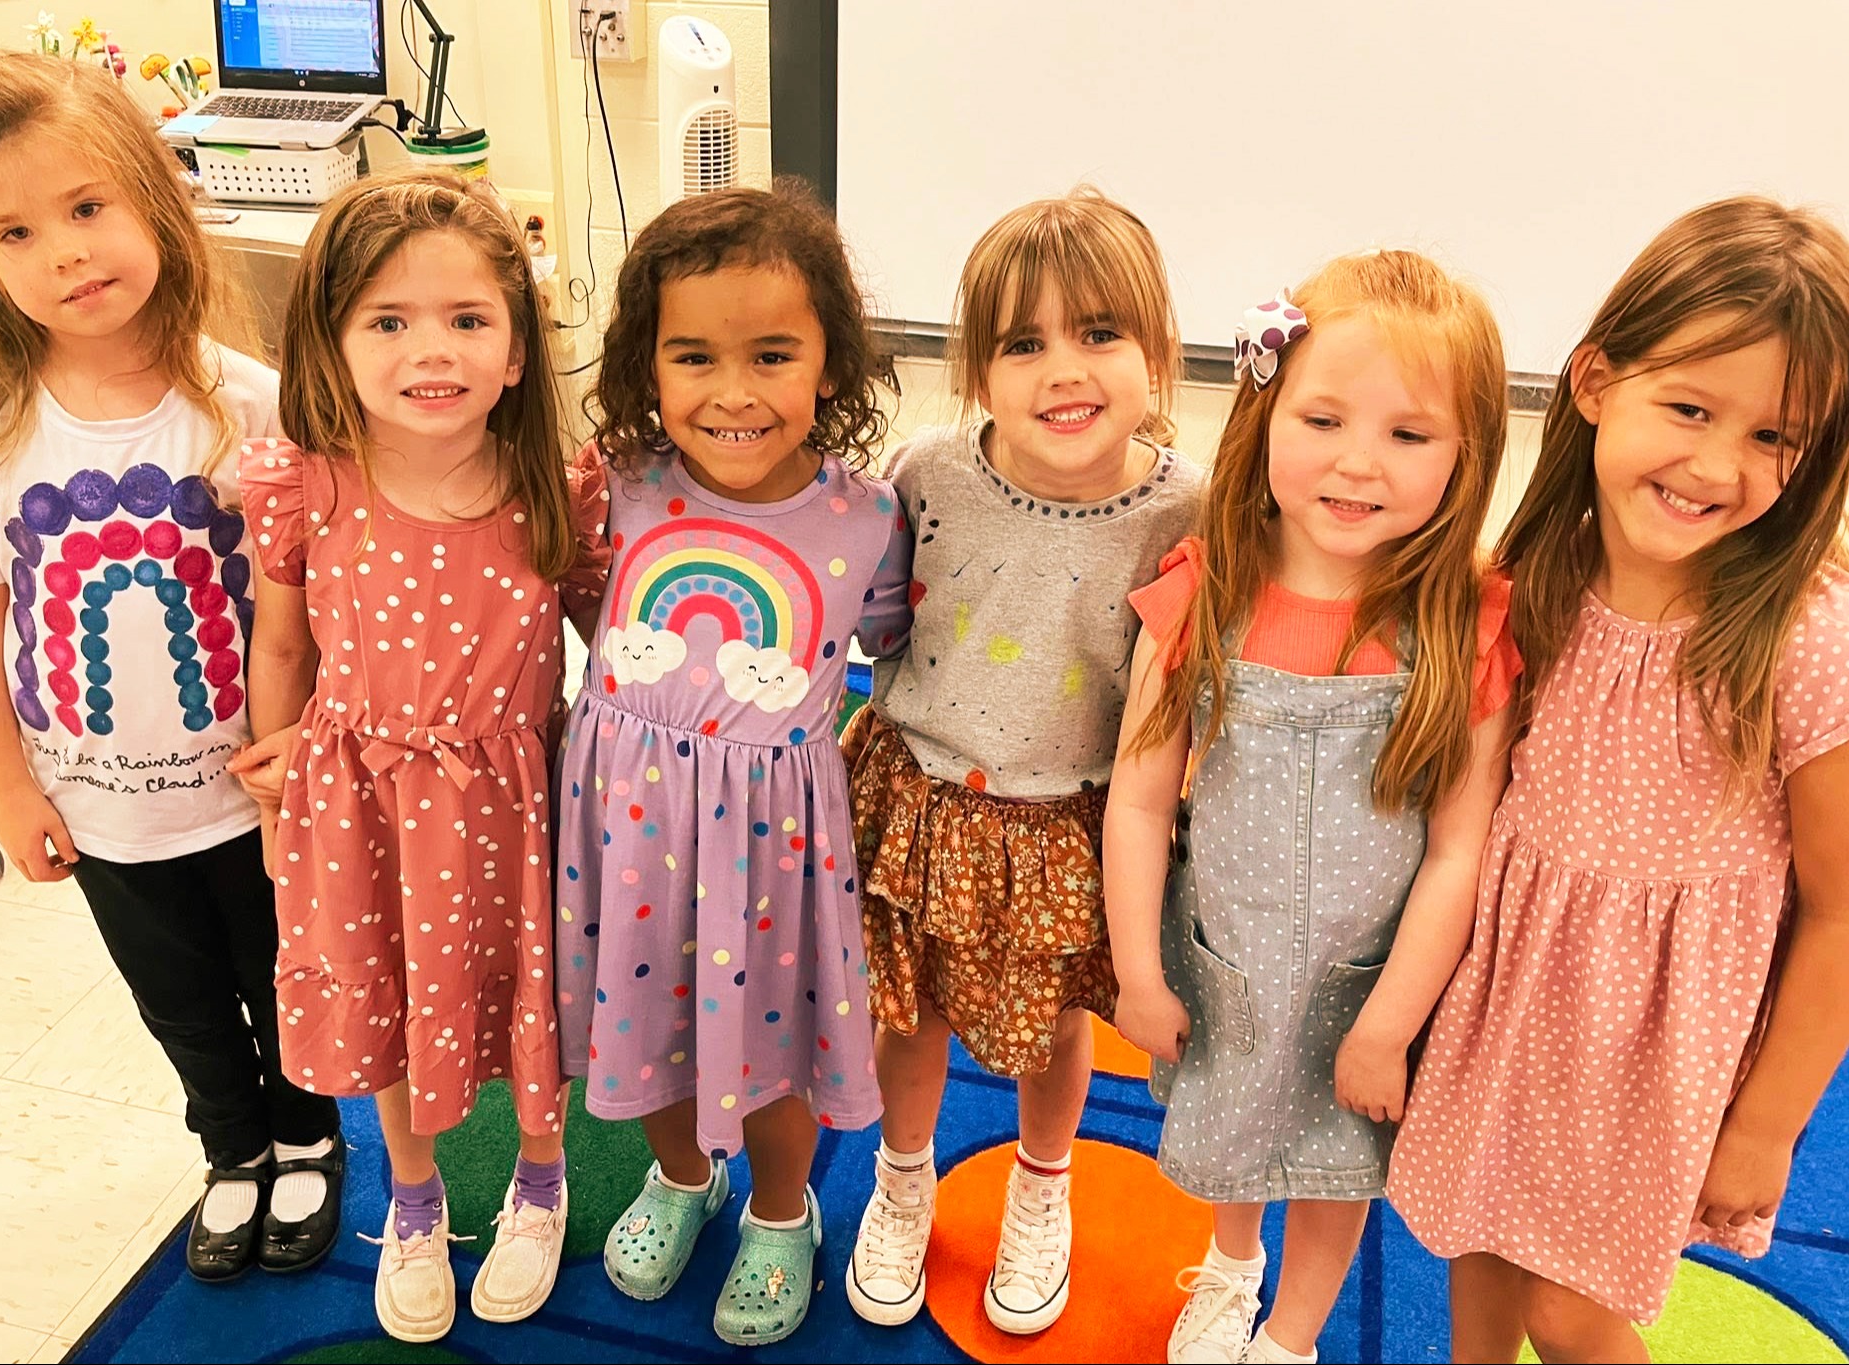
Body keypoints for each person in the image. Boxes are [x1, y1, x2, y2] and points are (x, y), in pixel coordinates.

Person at [0, 43, 342, 1283]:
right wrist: (7, 787)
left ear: (155, 197)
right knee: (177, 995)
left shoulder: (251, 403)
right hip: (99, 804)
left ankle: (306, 1134)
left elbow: (317, 593)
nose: (67, 252)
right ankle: (232, 1149)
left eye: (87, 207)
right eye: (17, 233)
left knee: (283, 974)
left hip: (254, 795)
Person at [1388, 196, 1849, 1364]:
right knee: (1475, 1240)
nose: (1715, 464)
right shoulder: (1533, 574)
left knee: (1570, 1309)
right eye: (1689, 408)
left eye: (1772, 438)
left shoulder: (1813, 645)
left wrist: (1765, 1129)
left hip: (1651, 1039)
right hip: (1507, 991)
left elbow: (1847, 909)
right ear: (1596, 381)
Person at [1109, 253, 1518, 1363]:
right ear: (1263, 408)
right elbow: (1141, 804)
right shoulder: (1200, 589)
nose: (1355, 465)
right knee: (1233, 1127)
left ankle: (1289, 1336)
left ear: (1465, 454)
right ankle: (1232, 1265)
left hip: (1369, 980)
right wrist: (1136, 973)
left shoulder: (1467, 622)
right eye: (1323, 417)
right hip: (1226, 954)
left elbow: (1456, 853)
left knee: (1337, 1165)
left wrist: (1386, 1023)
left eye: (1407, 435)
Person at [230, 173, 608, 1341]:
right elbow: (281, 644)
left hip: (516, 805)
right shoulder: (305, 483)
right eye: (387, 322)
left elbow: (624, 642)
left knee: (524, 1000)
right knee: (385, 999)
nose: (428, 351)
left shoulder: (563, 481)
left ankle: (538, 1186)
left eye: (465, 319)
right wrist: (269, 792)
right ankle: (411, 1196)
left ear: (514, 349)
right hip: (356, 805)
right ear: (332, 344)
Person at [841, 188, 1208, 1335]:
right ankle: (903, 1183)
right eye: (1022, 342)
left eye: (1098, 334)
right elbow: (870, 621)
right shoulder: (926, 474)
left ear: (1155, 353)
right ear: (974, 369)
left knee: (1051, 1030)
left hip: (1071, 822)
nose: (1063, 370)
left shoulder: (1183, 511)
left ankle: (1042, 1188)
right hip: (917, 795)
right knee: (910, 1014)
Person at [552, 182, 912, 1348]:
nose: (734, 392)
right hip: (623, 825)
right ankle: (676, 1176)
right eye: (693, 356)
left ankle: (777, 1208)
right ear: (645, 366)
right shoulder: (613, 486)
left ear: (828, 362)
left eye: (771, 354)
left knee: (775, 1035)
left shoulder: (866, 520)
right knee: (637, 1013)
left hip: (774, 845)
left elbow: (898, 642)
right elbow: (568, 598)